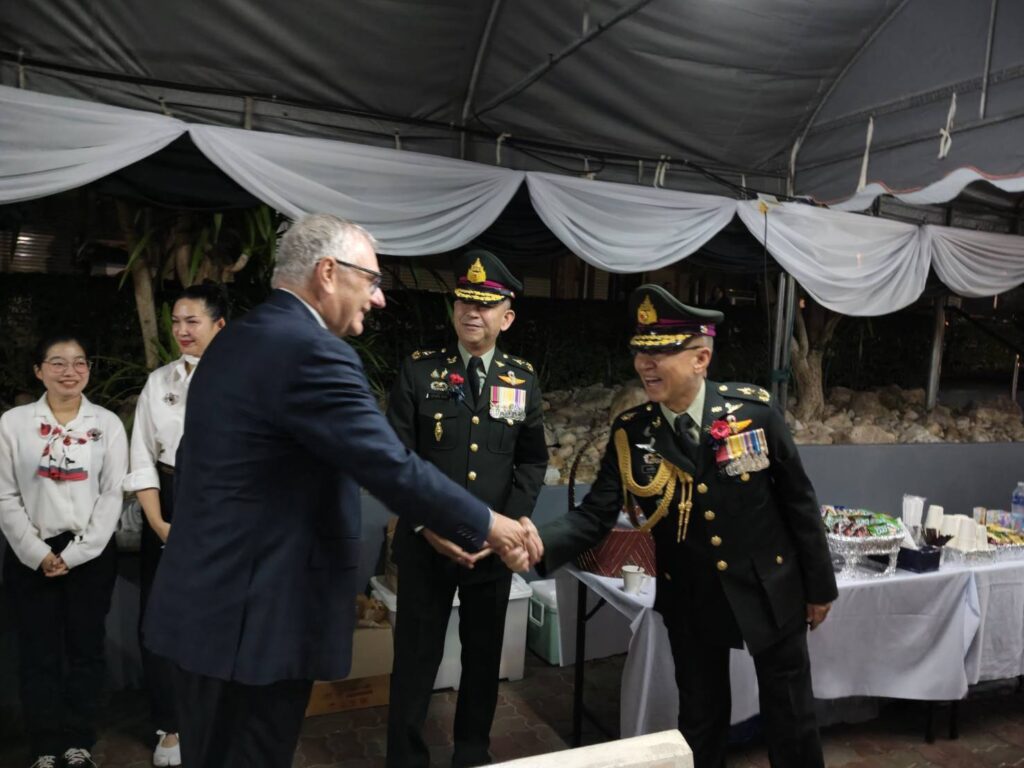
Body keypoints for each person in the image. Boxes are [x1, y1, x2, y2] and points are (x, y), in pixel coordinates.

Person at [141, 213, 530, 768]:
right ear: (328, 272)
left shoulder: (236, 340)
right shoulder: (311, 350)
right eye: (371, 280)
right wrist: (492, 525)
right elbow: (389, 463)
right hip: (254, 624)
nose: (379, 298)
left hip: (208, 610)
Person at [519, 284, 838, 768]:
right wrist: (538, 542)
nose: (645, 365)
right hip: (691, 595)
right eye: (640, 353)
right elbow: (596, 514)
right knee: (700, 721)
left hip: (769, 586)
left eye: (661, 352)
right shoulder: (632, 432)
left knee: (791, 716)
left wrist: (819, 587)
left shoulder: (753, 414)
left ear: (700, 358)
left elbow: (799, 502)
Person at [385, 249, 548, 768]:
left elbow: (532, 461)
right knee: (414, 662)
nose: (472, 311)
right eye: (464, 300)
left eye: (485, 303)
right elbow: (396, 458)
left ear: (507, 317)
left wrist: (508, 528)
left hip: (491, 553)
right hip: (425, 547)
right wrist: (424, 524)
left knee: (482, 662)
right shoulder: (419, 371)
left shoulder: (522, 379)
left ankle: (472, 754)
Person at [0, 334, 129, 768]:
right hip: (29, 552)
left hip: (89, 554)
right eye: (57, 362)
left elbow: (112, 494)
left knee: (85, 650)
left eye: (79, 362)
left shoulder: (107, 424)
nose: (69, 371)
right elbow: (4, 494)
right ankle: (43, 746)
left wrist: (75, 554)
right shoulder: (14, 423)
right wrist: (36, 552)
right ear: (39, 371)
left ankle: (78, 742)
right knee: (37, 653)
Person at [124, 283, 228, 767]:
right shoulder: (158, 382)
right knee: (163, 617)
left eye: (192, 321)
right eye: (175, 322)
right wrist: (159, 523)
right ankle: (171, 724)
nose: (182, 331)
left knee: (221, 614)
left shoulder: (242, 380)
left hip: (225, 504)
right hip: (166, 501)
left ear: (219, 325)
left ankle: (219, 717)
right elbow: (141, 456)